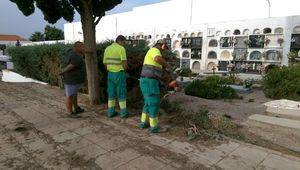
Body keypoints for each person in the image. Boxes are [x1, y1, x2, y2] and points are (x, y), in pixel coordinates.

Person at [138, 40, 169, 133]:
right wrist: (166, 64)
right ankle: (154, 127)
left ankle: (143, 123)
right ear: (161, 45)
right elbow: (157, 59)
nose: (164, 51)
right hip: (150, 82)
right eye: (164, 48)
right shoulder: (155, 50)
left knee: (148, 103)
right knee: (154, 103)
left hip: (145, 80)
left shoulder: (151, 51)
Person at [103, 35, 128, 118]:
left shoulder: (107, 48)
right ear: (120, 41)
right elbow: (124, 62)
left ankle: (110, 112)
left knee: (111, 93)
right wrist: (124, 71)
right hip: (119, 73)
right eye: (124, 42)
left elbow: (105, 63)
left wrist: (110, 69)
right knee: (121, 93)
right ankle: (123, 113)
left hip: (110, 74)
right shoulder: (121, 49)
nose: (124, 44)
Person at [60, 41, 86, 118]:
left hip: (73, 79)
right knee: (70, 96)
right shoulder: (76, 56)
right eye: (82, 47)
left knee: (74, 94)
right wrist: (62, 71)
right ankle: (70, 112)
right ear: (77, 47)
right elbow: (71, 65)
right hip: (72, 80)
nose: (83, 48)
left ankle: (76, 108)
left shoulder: (71, 52)